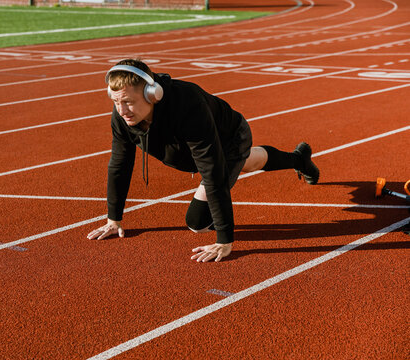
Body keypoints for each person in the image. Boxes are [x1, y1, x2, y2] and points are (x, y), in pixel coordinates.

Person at [87, 59, 319, 263]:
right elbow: (120, 164)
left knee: (197, 222)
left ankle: (261, 158)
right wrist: (113, 219)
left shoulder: (188, 107)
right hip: (199, 153)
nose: (122, 109)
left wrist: (225, 241)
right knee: (246, 162)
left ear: (152, 94)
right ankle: (299, 159)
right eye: (116, 101)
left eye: (128, 101)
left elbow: (213, 172)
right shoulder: (122, 117)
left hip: (231, 139)